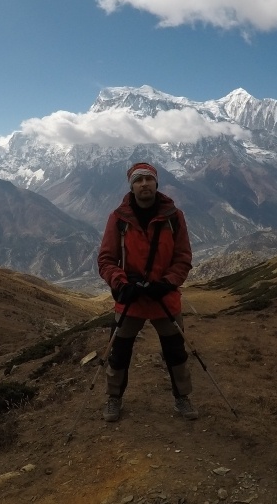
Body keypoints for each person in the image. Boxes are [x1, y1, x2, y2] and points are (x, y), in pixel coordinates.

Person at [97, 161, 197, 422]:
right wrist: (120, 284)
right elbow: (106, 259)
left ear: (156, 183)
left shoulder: (174, 217)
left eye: (148, 180)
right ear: (131, 186)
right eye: (138, 180)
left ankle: (182, 397)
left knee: (176, 351)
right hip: (131, 299)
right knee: (118, 353)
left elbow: (183, 257)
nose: (144, 185)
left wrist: (167, 282)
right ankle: (114, 398)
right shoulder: (118, 219)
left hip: (164, 297)